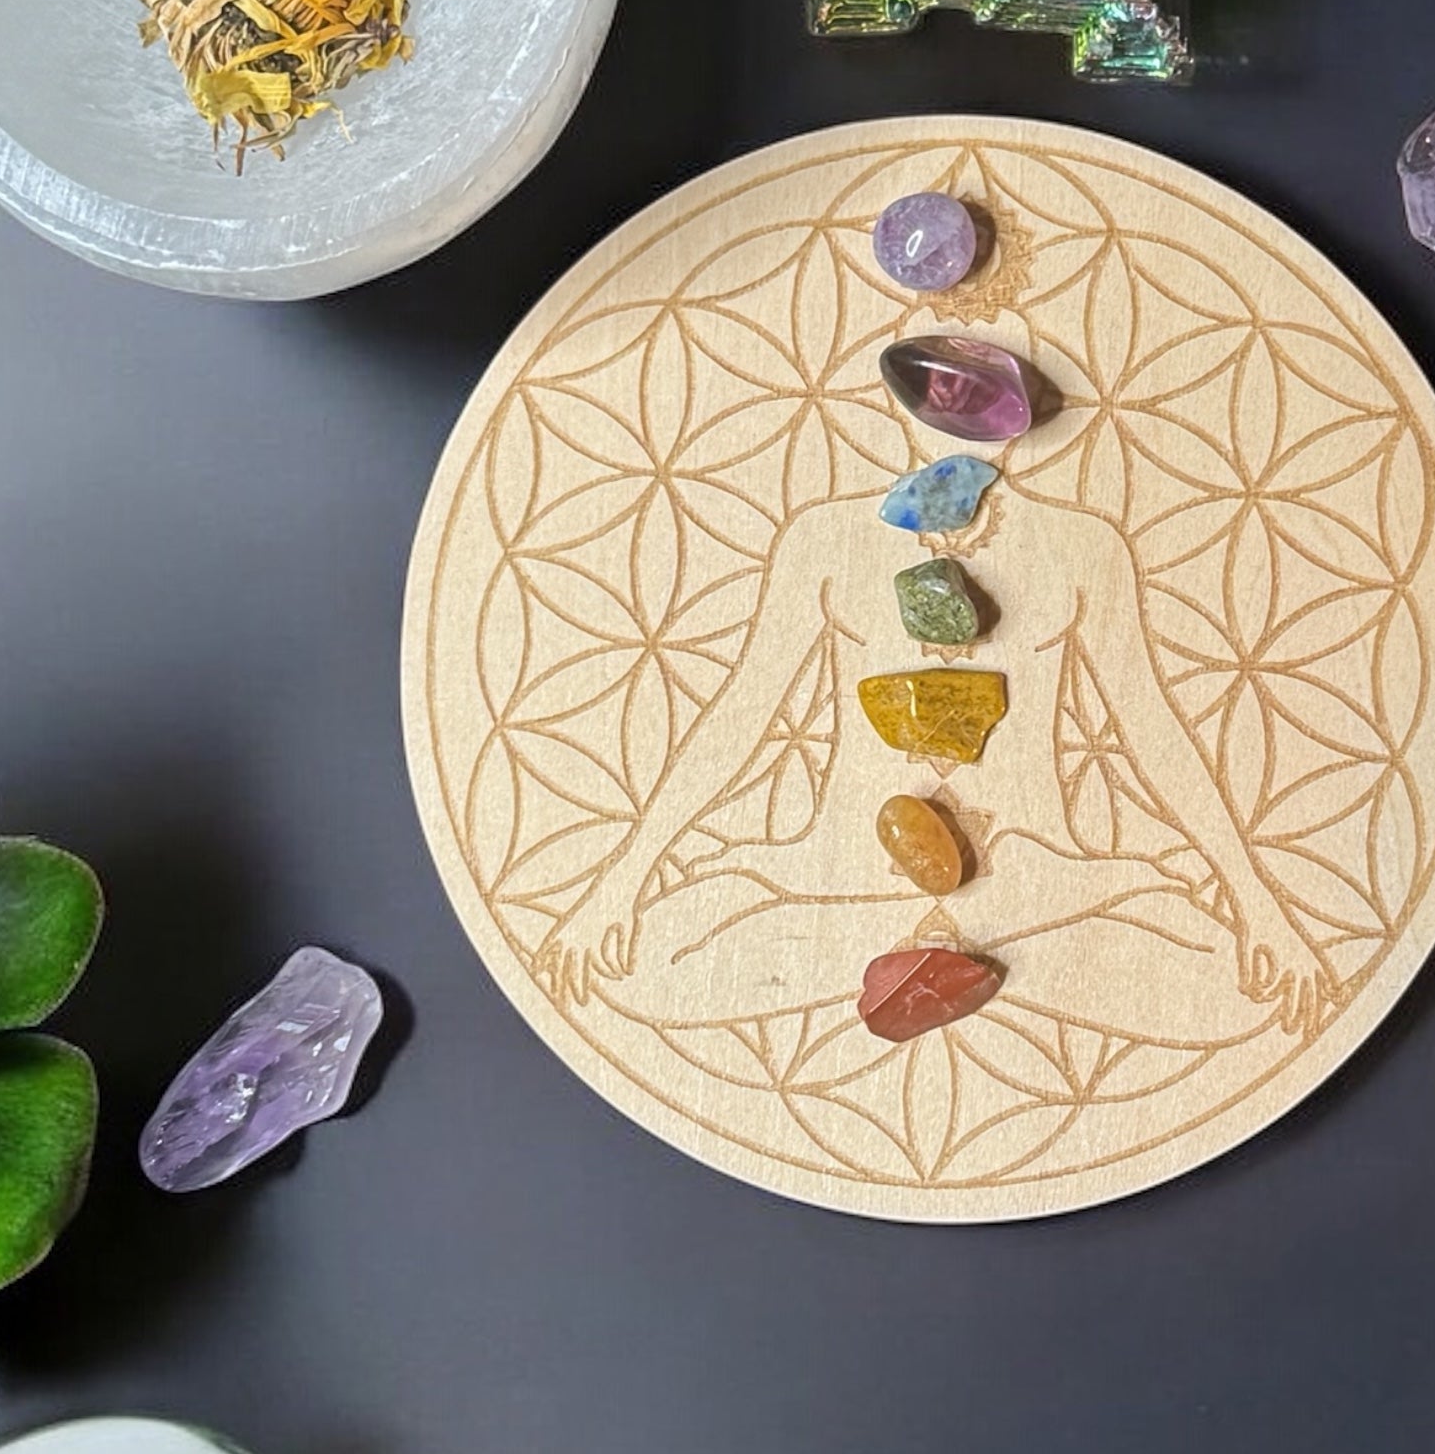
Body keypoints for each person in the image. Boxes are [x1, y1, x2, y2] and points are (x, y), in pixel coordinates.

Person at [532, 438, 1342, 1046]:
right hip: (832, 884)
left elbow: (1153, 731)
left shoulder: (1082, 547)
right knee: (646, 970)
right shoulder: (823, 541)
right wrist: (619, 883)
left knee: (1231, 986)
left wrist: (1260, 904)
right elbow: (737, 720)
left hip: (1041, 889)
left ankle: (968, 971)